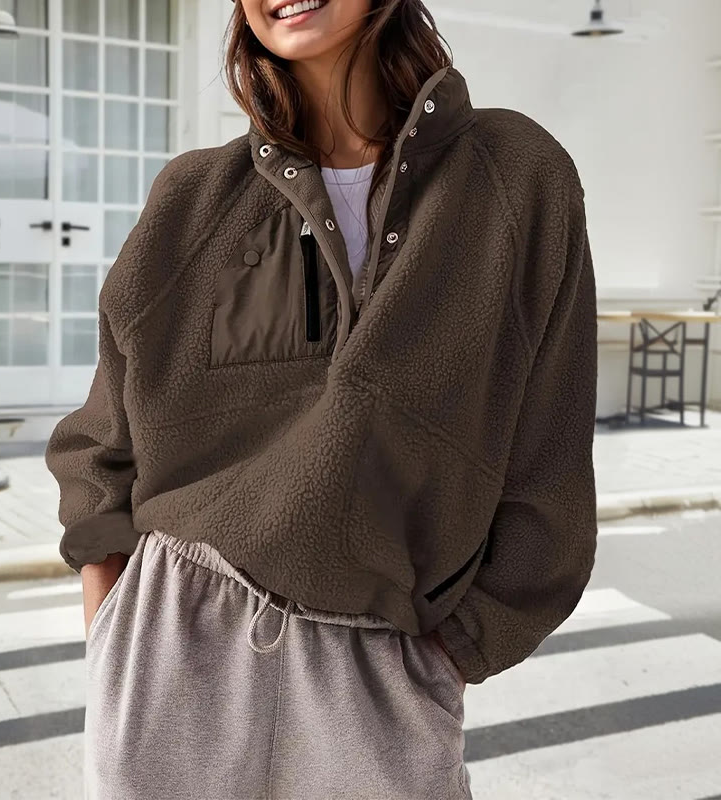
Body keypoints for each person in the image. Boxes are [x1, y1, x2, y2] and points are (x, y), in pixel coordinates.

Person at [44, 0, 599, 797]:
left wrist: (449, 657)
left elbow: (548, 459)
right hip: (173, 650)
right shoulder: (195, 197)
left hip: (378, 668)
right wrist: (114, 639)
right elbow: (101, 445)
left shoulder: (512, 176)